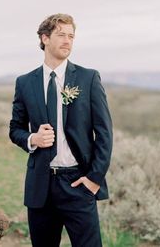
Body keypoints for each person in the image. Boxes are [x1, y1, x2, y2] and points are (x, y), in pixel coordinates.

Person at [9, 13, 113, 247]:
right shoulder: (24, 82)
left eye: (71, 36)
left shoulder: (88, 78)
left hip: (79, 183)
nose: (68, 41)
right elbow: (15, 129)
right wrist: (32, 138)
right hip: (40, 186)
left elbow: (104, 133)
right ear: (45, 38)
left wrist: (94, 179)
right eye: (61, 35)